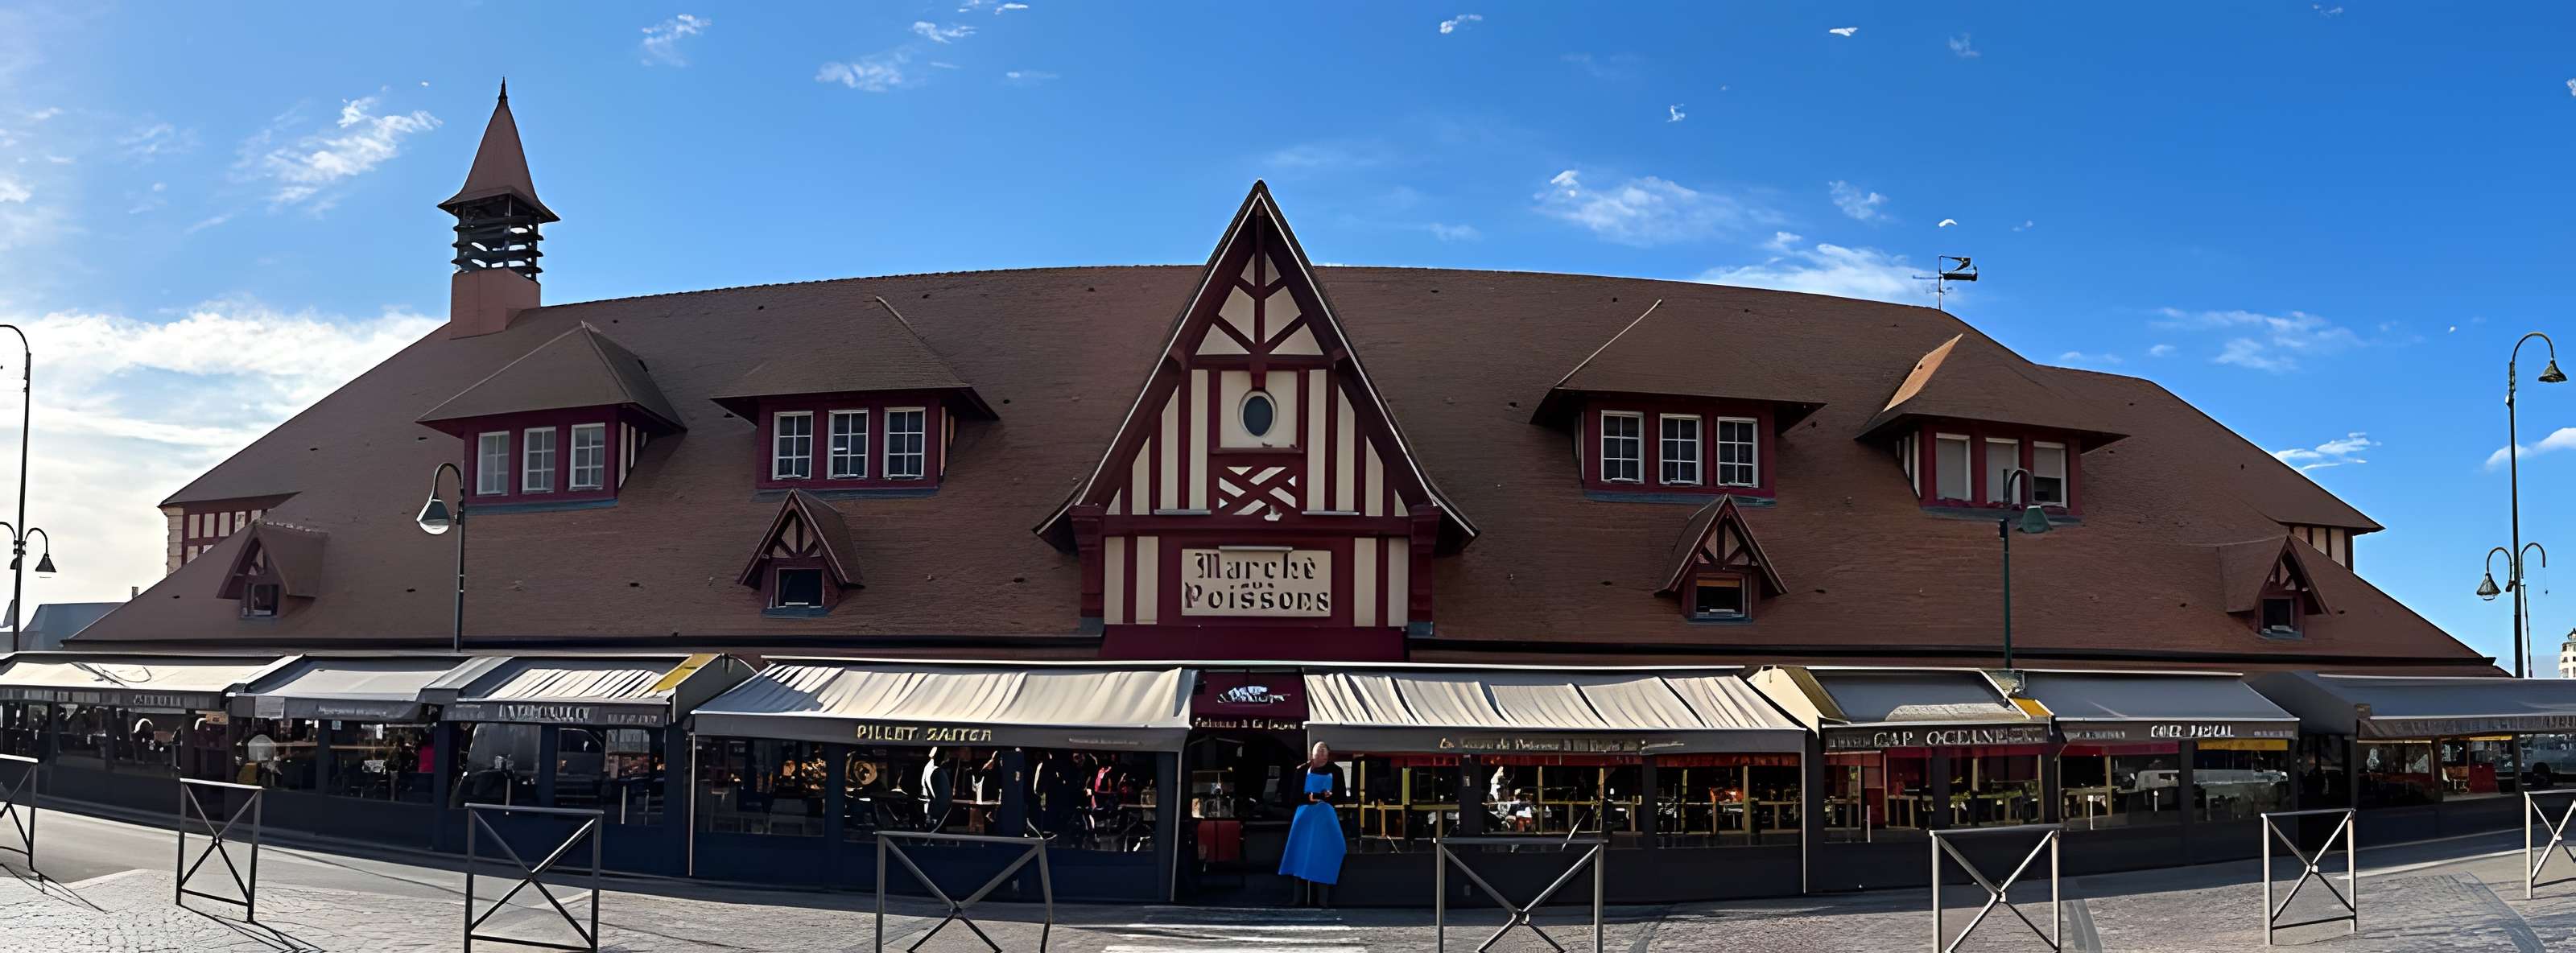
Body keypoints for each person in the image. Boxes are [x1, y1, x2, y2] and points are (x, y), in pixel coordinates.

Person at [1276, 741, 1347, 906]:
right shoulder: (1301, 771)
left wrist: (1328, 796)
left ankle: (1323, 901)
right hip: (1305, 818)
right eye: (1318, 752)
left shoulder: (1336, 771)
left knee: (1324, 855)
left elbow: (1341, 796)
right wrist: (1315, 795)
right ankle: (1298, 899)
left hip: (1325, 818)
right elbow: (1293, 797)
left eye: (1325, 753)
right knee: (1300, 856)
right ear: (1312, 755)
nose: (1322, 756)